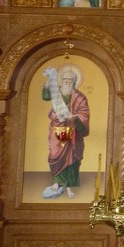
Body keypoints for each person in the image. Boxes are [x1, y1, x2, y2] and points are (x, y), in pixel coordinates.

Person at [41, 65, 90, 200]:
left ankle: (68, 185)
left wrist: (74, 117)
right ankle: (57, 182)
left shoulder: (79, 97)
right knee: (55, 153)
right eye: (65, 79)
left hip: (72, 129)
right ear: (61, 80)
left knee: (70, 155)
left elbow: (84, 113)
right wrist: (49, 81)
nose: (67, 82)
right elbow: (46, 96)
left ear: (74, 82)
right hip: (57, 127)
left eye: (70, 80)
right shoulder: (57, 92)